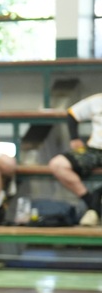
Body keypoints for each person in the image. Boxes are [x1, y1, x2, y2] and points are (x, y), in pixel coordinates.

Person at [48, 93, 102, 226]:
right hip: (95, 150)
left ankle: (96, 200)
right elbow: (72, 113)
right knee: (57, 164)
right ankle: (93, 204)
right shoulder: (97, 100)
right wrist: (74, 138)